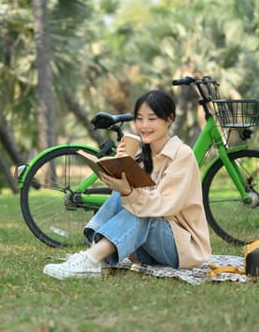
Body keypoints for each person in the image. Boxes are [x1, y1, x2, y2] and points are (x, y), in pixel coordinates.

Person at [43, 89, 211, 280]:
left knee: (142, 207)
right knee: (122, 196)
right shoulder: (144, 154)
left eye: (152, 118)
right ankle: (95, 256)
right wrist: (123, 162)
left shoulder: (182, 154)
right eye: (139, 119)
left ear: (169, 119)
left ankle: (91, 259)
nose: (144, 125)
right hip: (147, 248)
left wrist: (128, 192)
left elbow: (164, 206)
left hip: (182, 250)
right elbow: (133, 197)